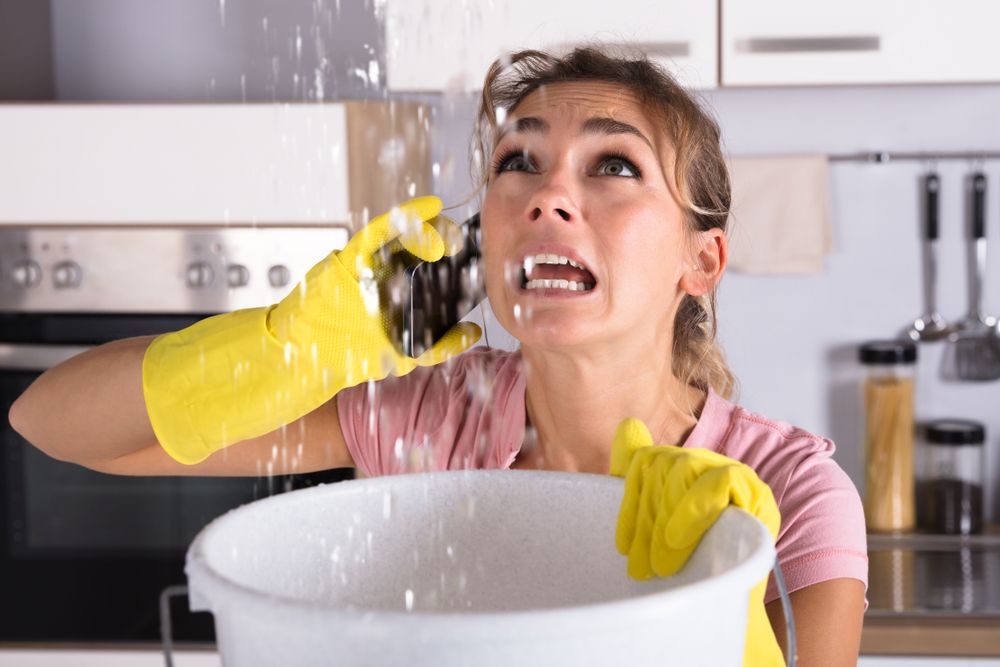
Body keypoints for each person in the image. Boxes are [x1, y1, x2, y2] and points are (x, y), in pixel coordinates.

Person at [9, 47, 867, 665]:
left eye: (613, 164)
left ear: (701, 262)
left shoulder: (788, 493)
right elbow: (53, 423)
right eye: (518, 161)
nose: (549, 194)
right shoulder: (426, 416)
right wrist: (287, 347)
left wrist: (728, 578)